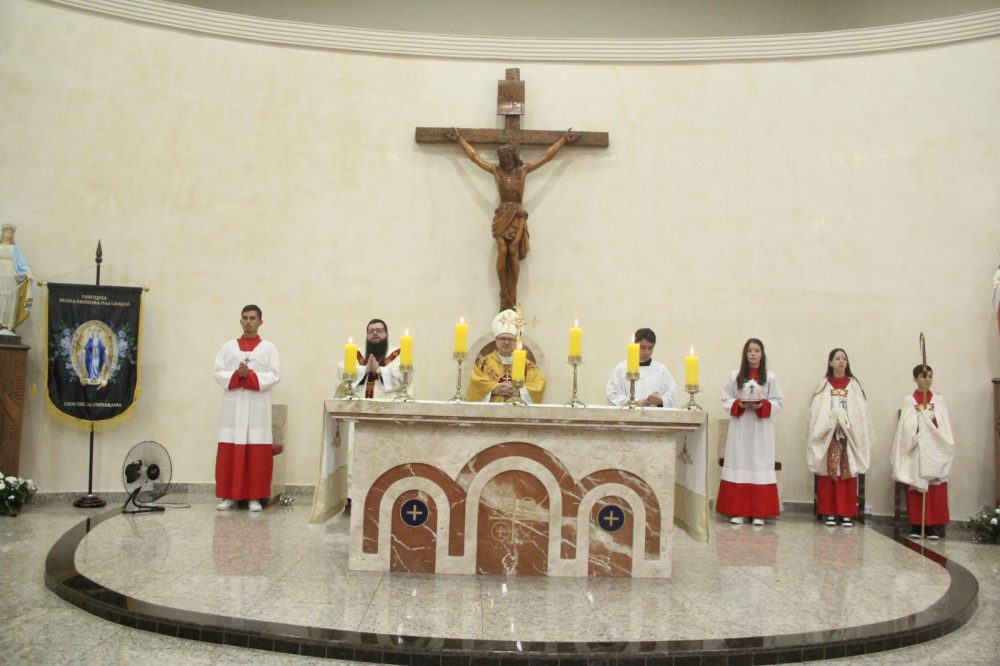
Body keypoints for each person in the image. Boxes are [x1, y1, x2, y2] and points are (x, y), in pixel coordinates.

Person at [446, 127, 580, 310]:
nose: (505, 161)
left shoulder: (522, 171)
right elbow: (475, 158)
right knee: (503, 249)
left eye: (508, 158)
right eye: (503, 159)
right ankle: (504, 291)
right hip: (502, 214)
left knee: (513, 251)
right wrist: (460, 139)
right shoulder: (497, 172)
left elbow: (546, 158)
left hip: (517, 214)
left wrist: (563, 140)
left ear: (513, 157)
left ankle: (512, 290)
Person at [213, 305, 280, 512]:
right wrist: (237, 375)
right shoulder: (228, 347)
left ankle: (254, 497)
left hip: (257, 409)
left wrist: (249, 375)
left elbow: (274, 375)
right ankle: (229, 496)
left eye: (253, 318)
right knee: (230, 450)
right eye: (245, 318)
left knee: (256, 452)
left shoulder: (269, 348)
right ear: (240, 321)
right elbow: (218, 372)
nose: (248, 321)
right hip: (234, 408)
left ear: (261, 322)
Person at [717, 338, 783, 526]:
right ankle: (738, 511)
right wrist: (739, 404)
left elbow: (778, 401)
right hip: (741, 426)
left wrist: (763, 405)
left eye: (757, 350)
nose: (753, 354)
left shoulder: (770, 377)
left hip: (761, 428)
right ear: (745, 355)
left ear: (762, 354)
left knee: (759, 464)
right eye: (750, 351)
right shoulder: (734, 376)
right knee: (740, 462)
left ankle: (759, 513)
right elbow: (725, 398)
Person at [806, 348, 874, 528]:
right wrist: (830, 420)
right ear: (830, 363)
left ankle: (846, 513)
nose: (841, 361)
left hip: (848, 435)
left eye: (844, 358)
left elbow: (861, 411)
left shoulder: (853, 385)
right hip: (828, 434)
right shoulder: (823, 385)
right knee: (829, 473)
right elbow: (816, 411)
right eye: (837, 358)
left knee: (847, 472)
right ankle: (828, 511)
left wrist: (847, 420)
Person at [890, 365, 955, 540]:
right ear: (915, 378)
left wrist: (932, 421)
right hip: (916, 449)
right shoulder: (910, 400)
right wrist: (919, 424)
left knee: (934, 489)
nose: (927, 380)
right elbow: (905, 426)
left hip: (934, 449)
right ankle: (917, 525)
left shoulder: (939, 400)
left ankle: (932, 526)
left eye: (930, 376)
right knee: (916, 488)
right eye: (923, 376)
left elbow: (944, 424)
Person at [467, 309, 545, 403]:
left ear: (516, 341)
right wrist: (494, 389)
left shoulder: (528, 366)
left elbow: (538, 386)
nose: (506, 342)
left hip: (519, 412)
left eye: (510, 339)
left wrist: (519, 391)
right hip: (492, 413)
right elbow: (475, 385)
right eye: (502, 338)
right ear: (496, 341)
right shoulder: (483, 364)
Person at [606, 328, 678, 407]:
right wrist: (634, 402)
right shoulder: (621, 369)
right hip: (628, 417)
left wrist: (661, 401)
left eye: (650, 348)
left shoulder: (661, 370)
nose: (647, 352)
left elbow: (672, 396)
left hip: (653, 417)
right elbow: (612, 395)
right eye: (643, 347)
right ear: (635, 345)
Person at [337, 318, 404, 399]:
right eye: (371, 331)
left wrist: (379, 370)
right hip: (358, 406)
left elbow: (403, 377)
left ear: (387, 334)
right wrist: (365, 370)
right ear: (367, 335)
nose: (375, 333)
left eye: (379, 330)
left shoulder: (398, 354)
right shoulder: (355, 353)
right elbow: (342, 372)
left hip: (388, 407)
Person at [0, 223, 33, 333]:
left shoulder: (15, 249)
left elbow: (22, 262)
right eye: (6, 231)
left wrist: (27, 272)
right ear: (3, 233)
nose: (8, 234)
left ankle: (7, 324)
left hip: (11, 276)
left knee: (9, 298)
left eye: (11, 232)